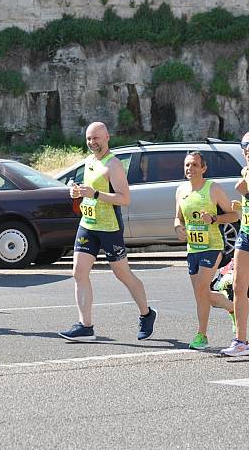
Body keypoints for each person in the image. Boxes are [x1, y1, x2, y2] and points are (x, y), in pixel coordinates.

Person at [58, 122, 157, 342]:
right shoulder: (89, 161)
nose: (93, 143)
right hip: (88, 224)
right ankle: (85, 326)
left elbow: (124, 198)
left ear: (107, 137)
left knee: (122, 274)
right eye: (89, 139)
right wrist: (77, 193)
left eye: (96, 138)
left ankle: (146, 314)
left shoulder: (113, 165)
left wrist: (95, 194)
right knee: (78, 273)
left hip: (110, 227)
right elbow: (88, 192)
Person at [174, 151, 238, 350]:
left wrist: (213, 219)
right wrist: (178, 227)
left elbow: (234, 215)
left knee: (201, 290)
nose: (190, 169)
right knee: (202, 295)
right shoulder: (180, 190)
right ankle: (232, 307)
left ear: (203, 168)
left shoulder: (213, 189)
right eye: (187, 165)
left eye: (194, 165)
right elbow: (178, 217)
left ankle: (201, 335)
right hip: (193, 249)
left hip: (213, 246)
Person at [221, 132, 249, 356]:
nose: (247, 149)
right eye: (245, 146)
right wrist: (240, 207)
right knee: (239, 287)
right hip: (246, 234)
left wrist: (247, 194)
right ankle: (240, 341)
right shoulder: (245, 171)